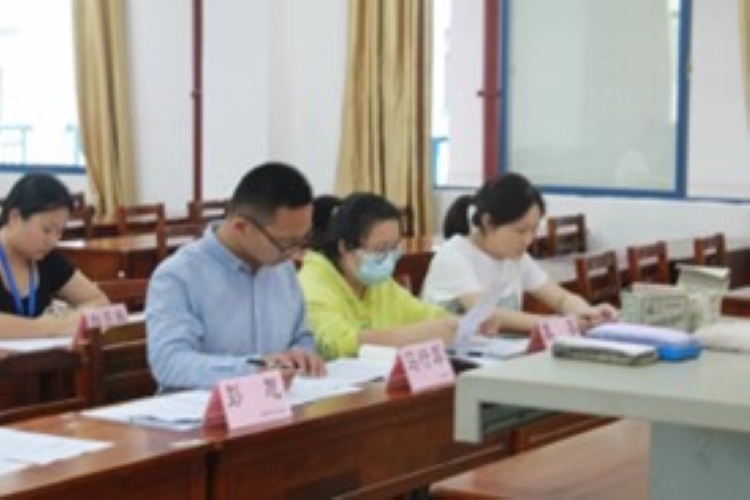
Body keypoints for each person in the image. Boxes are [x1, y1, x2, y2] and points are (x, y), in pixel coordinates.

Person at [146, 162, 325, 391]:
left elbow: (301, 335)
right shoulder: (178, 276)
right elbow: (169, 363)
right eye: (287, 242)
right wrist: (252, 368)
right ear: (241, 227)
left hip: (280, 402)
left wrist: (302, 353)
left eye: (304, 238)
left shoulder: (282, 267)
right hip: (203, 409)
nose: (297, 253)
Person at [421, 173, 617, 333]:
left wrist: (588, 314)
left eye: (533, 230)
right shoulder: (454, 255)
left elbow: (560, 299)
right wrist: (557, 324)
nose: (528, 240)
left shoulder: (516, 257)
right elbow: (485, 314)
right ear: (488, 222)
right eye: (521, 231)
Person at [297, 192, 462, 360]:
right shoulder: (312, 284)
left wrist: (457, 324)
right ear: (345, 247)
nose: (388, 258)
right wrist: (417, 334)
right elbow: (338, 343)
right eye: (380, 249)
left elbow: (419, 312)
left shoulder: (377, 282)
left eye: (394, 247)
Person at [0, 173, 109, 339]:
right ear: (15, 218)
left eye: (59, 232)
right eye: (46, 230)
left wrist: (72, 318)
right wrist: (50, 326)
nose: (53, 241)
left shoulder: (47, 257)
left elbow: (99, 301)